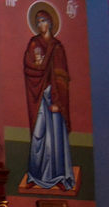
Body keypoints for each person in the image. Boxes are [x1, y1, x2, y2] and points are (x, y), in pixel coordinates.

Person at [23, 8, 74, 190]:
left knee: (56, 139)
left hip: (54, 97)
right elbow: (28, 67)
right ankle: (35, 175)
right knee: (39, 135)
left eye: (43, 21)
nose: (41, 25)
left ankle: (59, 176)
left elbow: (62, 77)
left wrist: (59, 103)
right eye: (38, 22)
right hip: (39, 97)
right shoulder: (33, 44)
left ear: (51, 23)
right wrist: (39, 67)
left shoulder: (57, 47)